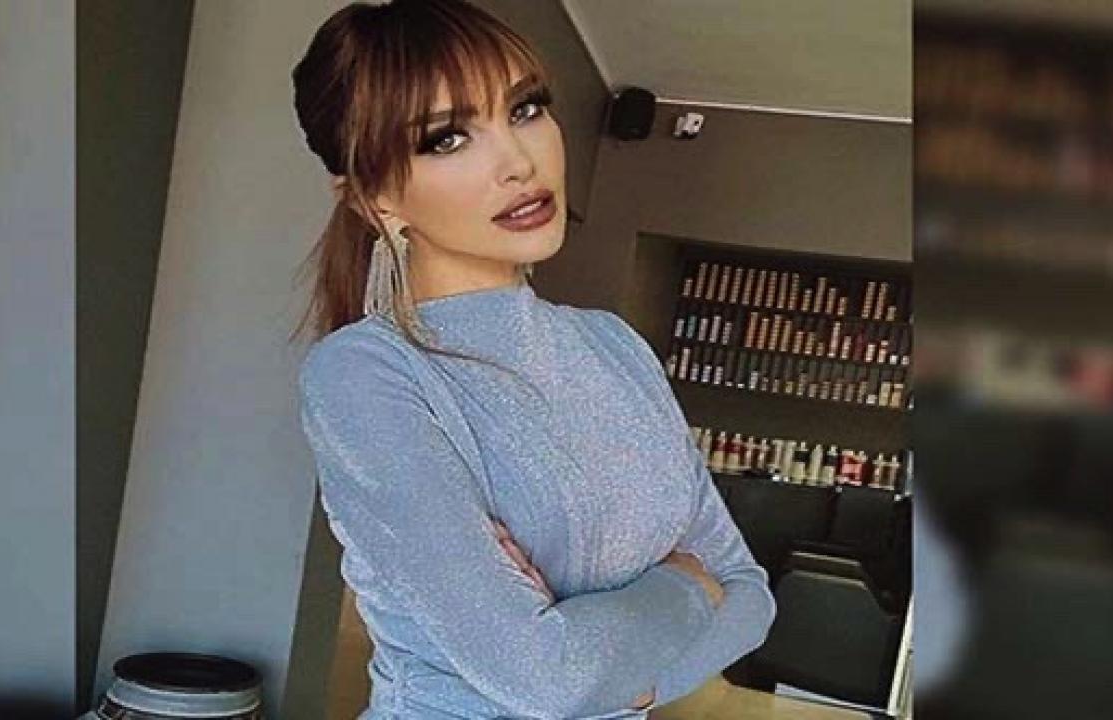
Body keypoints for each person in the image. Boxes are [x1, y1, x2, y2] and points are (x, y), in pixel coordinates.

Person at [290, 1, 775, 717]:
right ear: (375, 199)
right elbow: (546, 676)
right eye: (448, 138)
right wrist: (686, 585)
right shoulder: (365, 374)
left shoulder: (614, 346)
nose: (519, 162)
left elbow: (750, 594)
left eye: (525, 109)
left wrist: (634, 678)